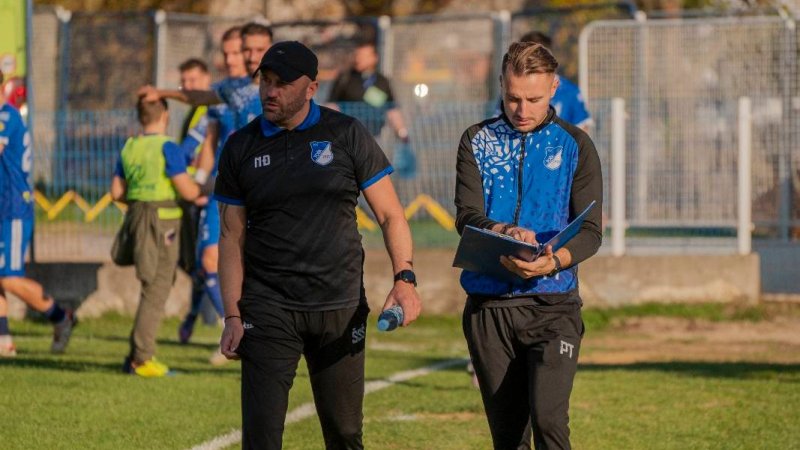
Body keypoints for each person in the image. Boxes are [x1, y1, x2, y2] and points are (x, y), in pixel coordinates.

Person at [214, 41, 422, 449]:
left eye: (282, 84)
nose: (270, 91)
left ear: (311, 88)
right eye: (266, 81)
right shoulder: (240, 146)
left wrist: (405, 278)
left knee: (344, 433)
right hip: (268, 307)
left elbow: (391, 215)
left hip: (339, 306)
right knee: (260, 438)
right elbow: (231, 236)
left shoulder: (345, 133)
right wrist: (232, 315)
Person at [454, 41, 602, 449]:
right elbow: (466, 215)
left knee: (549, 421)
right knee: (508, 437)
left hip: (553, 306)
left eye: (533, 99)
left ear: (554, 87)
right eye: (512, 98)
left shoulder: (575, 145)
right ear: (501, 86)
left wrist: (553, 263)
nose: (521, 109)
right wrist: (506, 230)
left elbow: (591, 231)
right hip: (488, 307)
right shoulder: (476, 140)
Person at [111, 97, 202, 377]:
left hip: (137, 218)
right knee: (157, 287)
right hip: (164, 224)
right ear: (165, 115)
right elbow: (187, 191)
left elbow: (116, 192)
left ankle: (134, 357)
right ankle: (142, 359)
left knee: (150, 285)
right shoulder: (168, 147)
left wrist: (140, 199)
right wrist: (204, 189)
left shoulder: (130, 146)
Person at [0, 69, 77, 357]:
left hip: (13, 207)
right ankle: (3, 340)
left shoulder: (5, 116)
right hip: (3, 205)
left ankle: (61, 317)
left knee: (9, 278)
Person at [494, 31, 593, 134]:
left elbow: (582, 130)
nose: (523, 112)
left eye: (534, 100)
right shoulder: (510, 90)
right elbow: (497, 126)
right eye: (514, 99)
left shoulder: (570, 91)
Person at [328, 39, 409, 141]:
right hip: (349, 135)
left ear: (374, 58)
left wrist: (402, 132)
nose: (358, 59)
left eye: (364, 56)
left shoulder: (382, 81)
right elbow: (331, 105)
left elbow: (392, 109)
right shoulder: (345, 78)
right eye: (357, 55)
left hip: (375, 135)